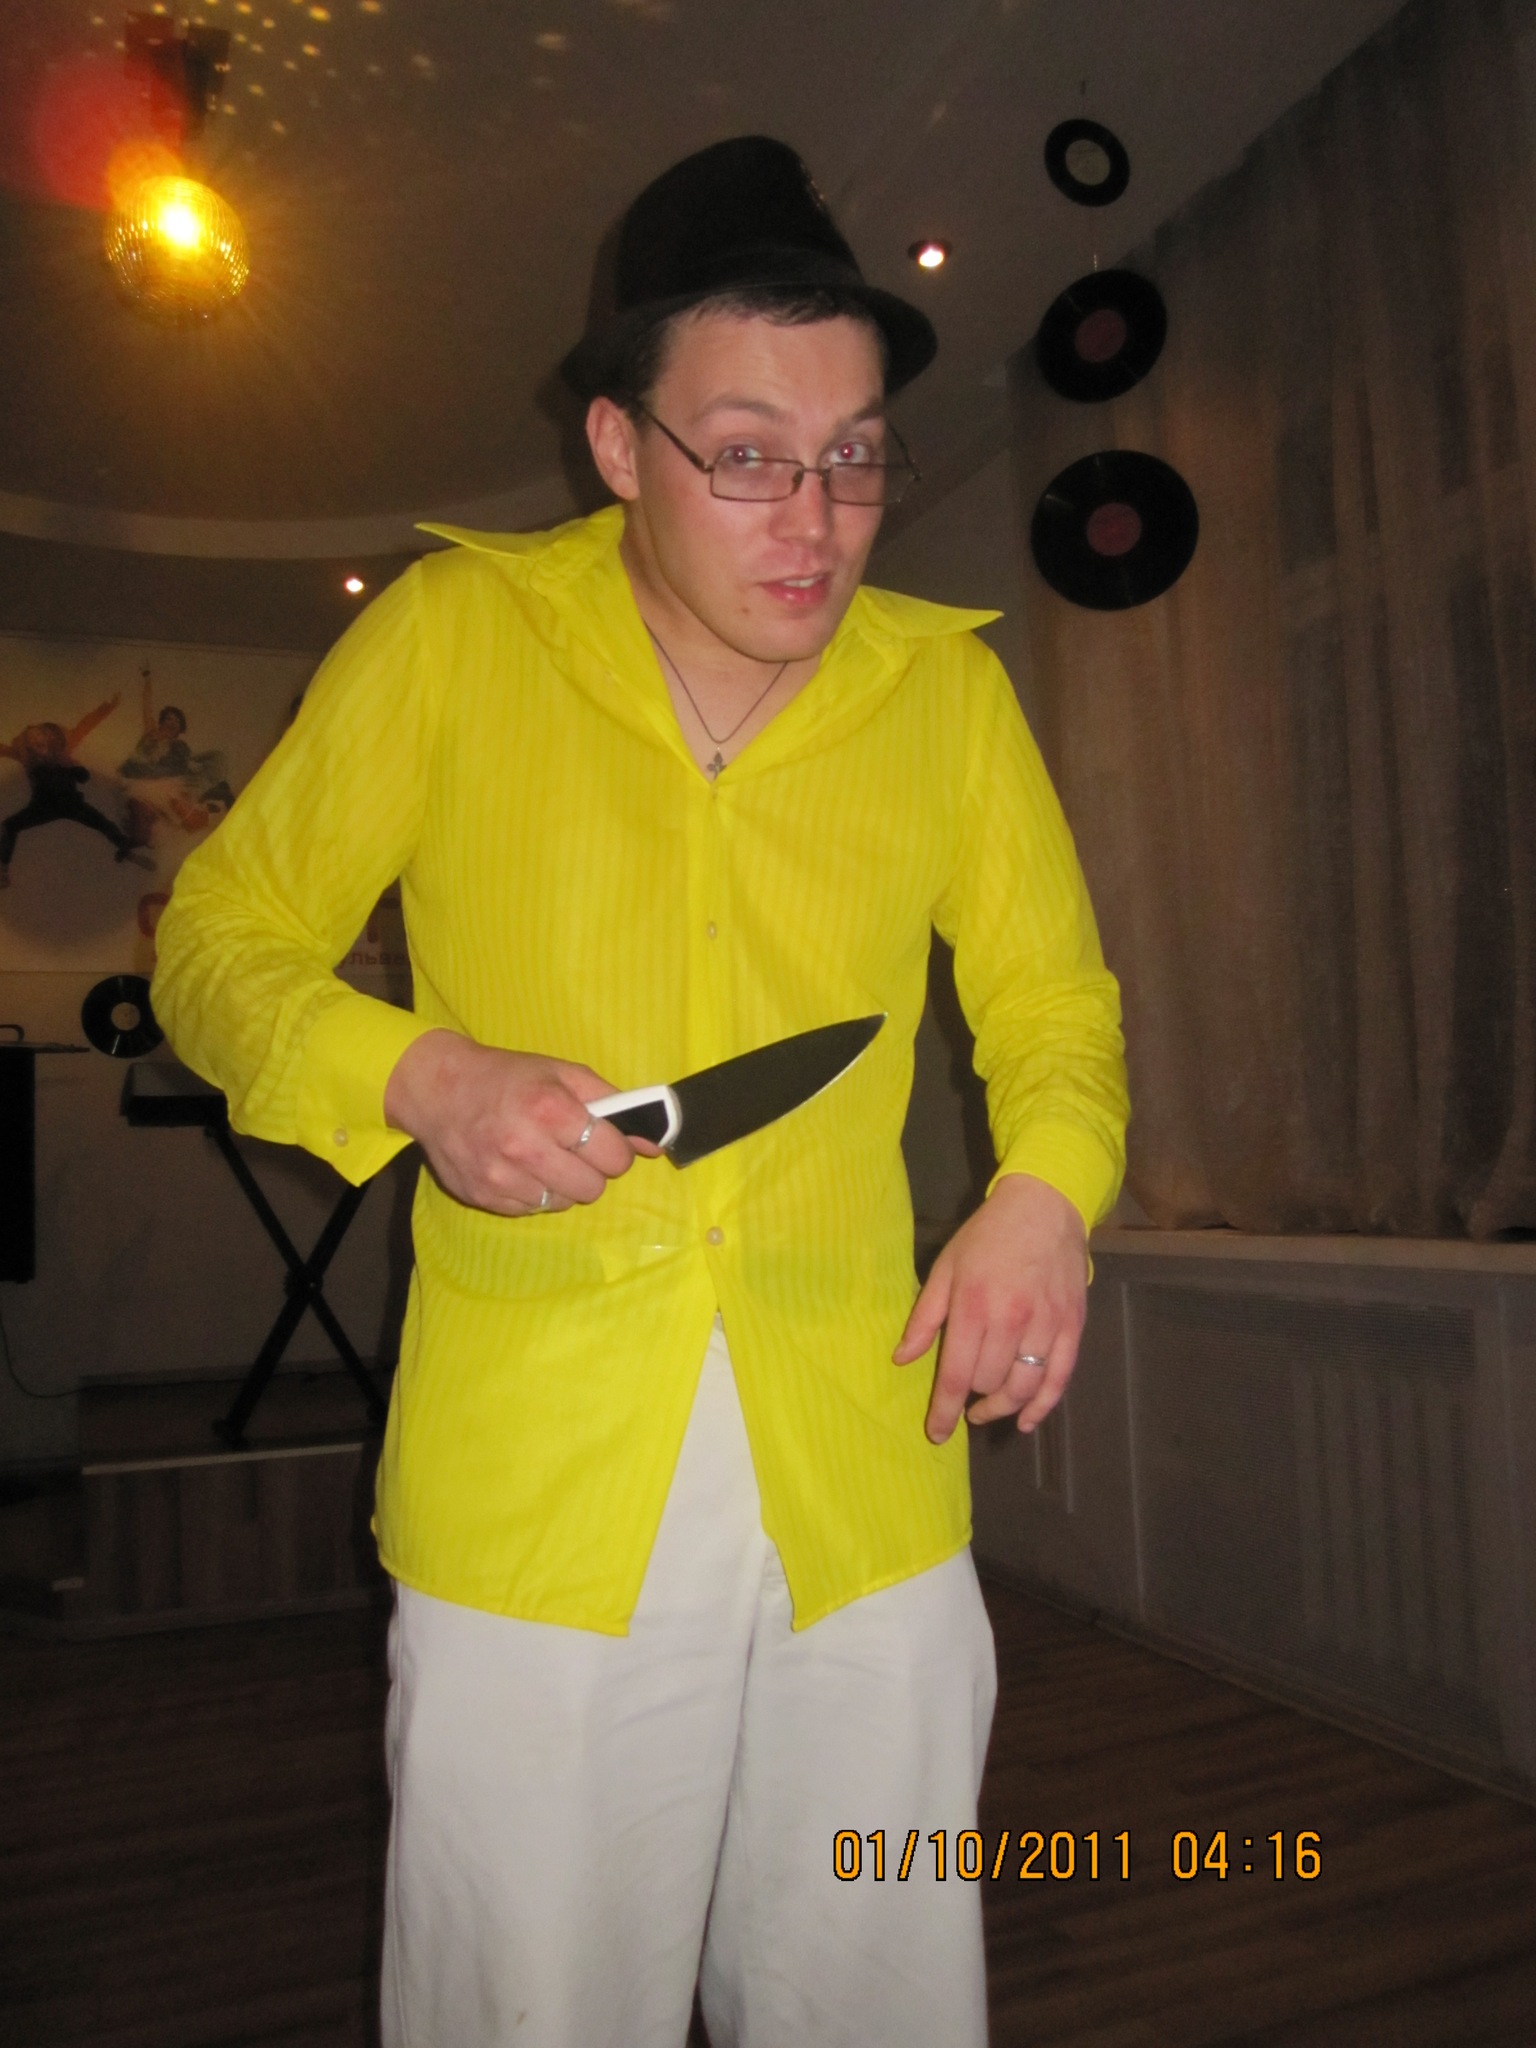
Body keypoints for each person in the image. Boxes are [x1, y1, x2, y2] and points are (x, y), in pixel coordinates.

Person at [152, 136, 1128, 2048]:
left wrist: (1044, 1197)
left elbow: (1056, 1010)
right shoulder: (451, 638)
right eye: (746, 453)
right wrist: (421, 1073)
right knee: (526, 2004)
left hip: (865, 1471)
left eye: (855, 455)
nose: (814, 517)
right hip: (540, 1487)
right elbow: (216, 941)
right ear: (617, 445)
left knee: (879, 1990)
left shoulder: (945, 694)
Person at [0, 694, 153, 886]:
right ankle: (3, 870)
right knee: (9, 826)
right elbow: (3, 749)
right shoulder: (26, 757)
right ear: (28, 744)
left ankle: (125, 848)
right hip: (42, 806)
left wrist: (107, 707)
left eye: (39, 735)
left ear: (47, 736)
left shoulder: (63, 748)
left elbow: (85, 726)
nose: (36, 740)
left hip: (71, 803)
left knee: (102, 823)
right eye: (31, 739)